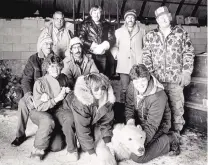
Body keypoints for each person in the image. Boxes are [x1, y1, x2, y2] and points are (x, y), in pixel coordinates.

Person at [142, 6, 195, 135]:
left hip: (175, 79)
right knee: (159, 107)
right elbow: (146, 56)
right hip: (157, 80)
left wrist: (186, 72)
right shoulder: (150, 36)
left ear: (170, 17)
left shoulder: (181, 33)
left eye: (165, 16)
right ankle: (161, 133)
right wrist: (150, 76)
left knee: (177, 106)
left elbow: (188, 53)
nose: (163, 19)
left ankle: (176, 132)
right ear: (157, 20)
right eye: (160, 17)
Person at [125, 64, 180, 163]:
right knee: (124, 147)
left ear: (148, 78)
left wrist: (138, 144)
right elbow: (129, 107)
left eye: (143, 80)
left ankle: (170, 139)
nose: (140, 84)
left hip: (158, 126)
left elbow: (151, 125)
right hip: (140, 122)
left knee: (137, 156)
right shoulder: (132, 86)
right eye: (136, 81)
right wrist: (130, 126)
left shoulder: (158, 96)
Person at [62, 72, 116, 161]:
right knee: (85, 145)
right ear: (89, 89)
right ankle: (72, 149)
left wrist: (108, 143)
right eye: (96, 89)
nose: (100, 92)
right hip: (68, 108)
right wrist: (92, 153)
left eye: (103, 88)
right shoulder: (80, 102)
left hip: (88, 111)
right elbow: (82, 128)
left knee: (93, 135)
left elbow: (106, 122)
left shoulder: (107, 98)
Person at [11, 35, 54, 147]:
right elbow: (26, 79)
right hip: (35, 93)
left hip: (50, 94)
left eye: (50, 44)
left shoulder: (55, 58)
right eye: (46, 43)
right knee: (22, 103)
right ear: (40, 45)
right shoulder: (33, 59)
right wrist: (28, 94)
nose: (48, 46)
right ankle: (20, 135)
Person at [30, 54, 69, 160]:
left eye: (57, 66)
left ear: (61, 67)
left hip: (54, 111)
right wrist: (57, 99)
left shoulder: (64, 78)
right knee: (48, 120)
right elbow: (39, 107)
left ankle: (49, 131)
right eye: (51, 66)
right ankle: (37, 150)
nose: (55, 69)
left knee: (57, 147)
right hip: (39, 112)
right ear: (46, 68)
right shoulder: (40, 82)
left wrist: (68, 92)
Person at [111, 9, 146, 103]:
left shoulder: (142, 31)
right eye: (128, 17)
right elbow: (114, 46)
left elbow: (145, 46)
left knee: (138, 87)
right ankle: (124, 109)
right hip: (123, 64)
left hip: (137, 64)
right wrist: (116, 54)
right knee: (124, 88)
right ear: (125, 19)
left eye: (132, 17)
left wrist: (142, 56)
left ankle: (137, 109)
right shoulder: (118, 32)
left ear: (135, 19)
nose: (130, 19)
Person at [79, 5, 116, 75]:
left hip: (102, 54)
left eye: (98, 13)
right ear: (91, 13)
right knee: (89, 75)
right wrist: (90, 44)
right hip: (89, 54)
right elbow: (81, 38)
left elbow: (112, 38)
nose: (96, 15)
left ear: (101, 14)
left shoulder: (106, 24)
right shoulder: (85, 24)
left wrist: (105, 45)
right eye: (94, 12)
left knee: (102, 75)